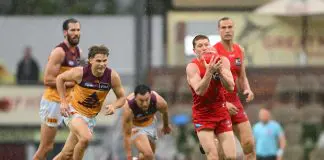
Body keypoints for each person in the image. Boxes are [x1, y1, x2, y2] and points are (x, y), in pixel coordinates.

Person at [53, 45, 126, 160]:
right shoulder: (80, 73)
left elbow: (122, 98)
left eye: (105, 61)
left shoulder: (112, 76)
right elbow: (59, 79)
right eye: (98, 61)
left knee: (66, 154)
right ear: (91, 60)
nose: (102, 64)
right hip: (74, 112)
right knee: (86, 138)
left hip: (90, 119)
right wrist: (63, 102)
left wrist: (114, 106)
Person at [33, 18, 81, 160]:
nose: (76, 33)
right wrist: (70, 84)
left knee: (79, 140)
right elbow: (47, 80)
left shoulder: (78, 51)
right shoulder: (59, 52)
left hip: (69, 102)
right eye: (72, 30)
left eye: (78, 30)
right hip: (53, 102)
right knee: (46, 147)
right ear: (65, 32)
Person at [186, 34, 236, 160]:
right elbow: (199, 91)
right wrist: (209, 72)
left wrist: (219, 71)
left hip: (221, 111)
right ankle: (209, 141)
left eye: (206, 45)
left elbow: (230, 87)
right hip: (203, 115)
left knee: (230, 157)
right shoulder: (192, 67)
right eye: (200, 46)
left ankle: (213, 141)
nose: (204, 48)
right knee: (213, 156)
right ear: (194, 51)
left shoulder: (222, 61)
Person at [213, 17, 256, 160]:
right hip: (219, 102)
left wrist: (248, 89)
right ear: (218, 30)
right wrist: (223, 104)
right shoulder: (214, 52)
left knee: (249, 144)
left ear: (234, 29)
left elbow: (242, 76)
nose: (227, 30)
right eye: (223, 28)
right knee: (222, 153)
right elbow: (209, 84)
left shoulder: (239, 50)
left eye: (230, 27)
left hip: (235, 101)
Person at [122, 84, 171, 160]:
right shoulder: (129, 108)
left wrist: (166, 126)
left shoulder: (159, 102)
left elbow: (164, 112)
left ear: (150, 96)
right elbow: (126, 134)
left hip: (151, 124)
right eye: (141, 101)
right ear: (135, 98)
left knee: (148, 156)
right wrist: (129, 156)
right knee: (149, 154)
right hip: (135, 127)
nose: (145, 104)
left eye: (147, 100)